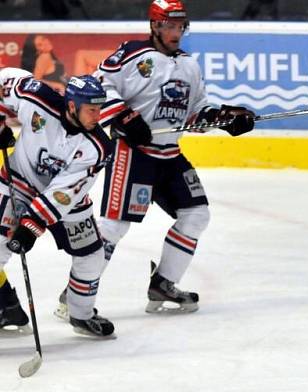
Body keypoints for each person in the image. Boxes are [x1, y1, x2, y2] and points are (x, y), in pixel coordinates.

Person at [78, 0, 255, 314]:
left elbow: (197, 112)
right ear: (155, 26)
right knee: (114, 227)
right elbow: (99, 86)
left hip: (170, 155)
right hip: (135, 155)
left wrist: (227, 119)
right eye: (169, 26)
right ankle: (75, 295)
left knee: (197, 215)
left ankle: (163, 284)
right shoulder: (131, 54)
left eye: (179, 27)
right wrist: (124, 118)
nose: (176, 33)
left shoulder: (189, 65)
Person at [0, 70, 114, 337]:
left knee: (92, 256)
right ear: (72, 106)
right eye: (91, 110)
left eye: (99, 109)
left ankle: (81, 314)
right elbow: (3, 80)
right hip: (18, 183)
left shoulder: (97, 147)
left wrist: (32, 224)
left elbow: (64, 193)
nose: (98, 117)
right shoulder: (35, 96)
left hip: (67, 203)